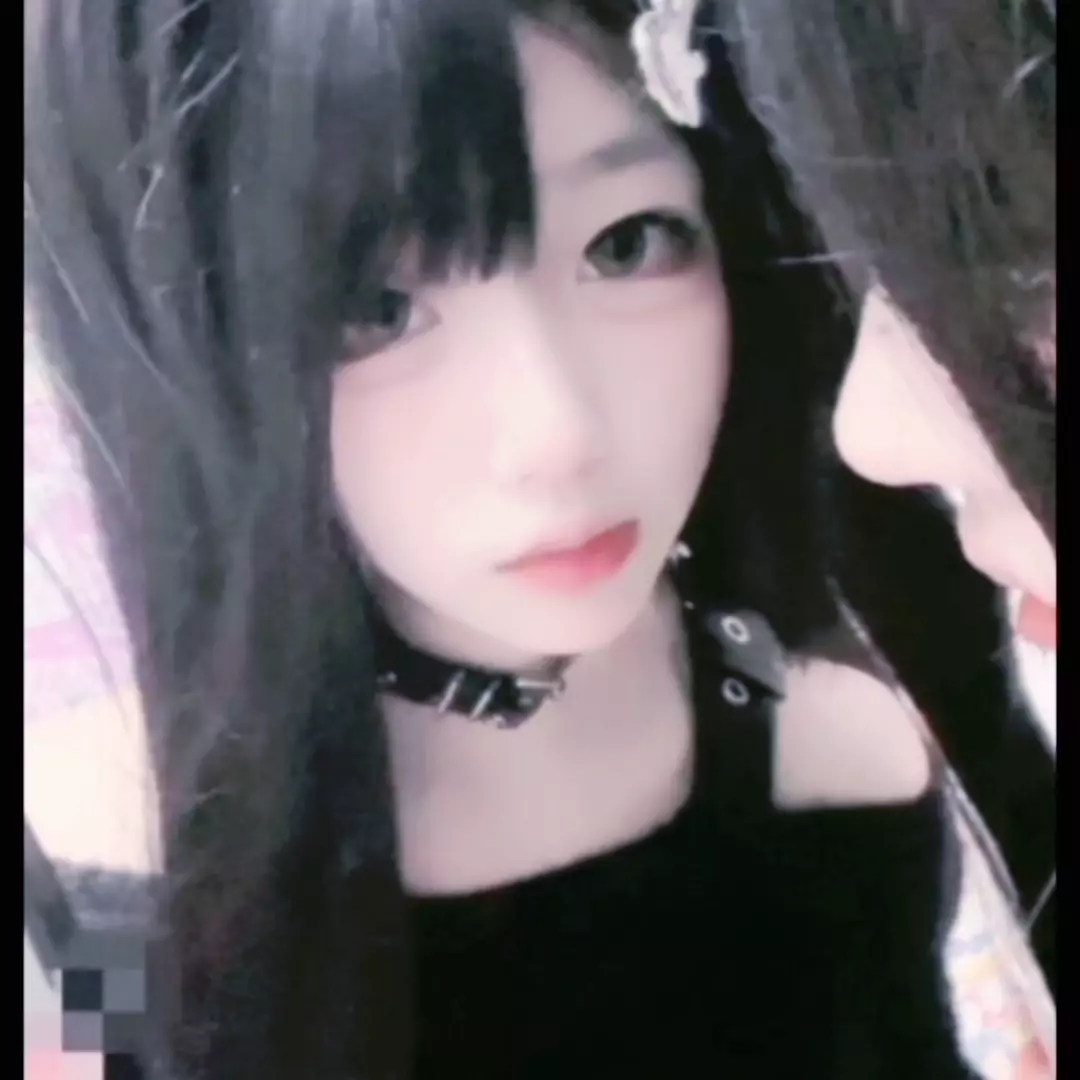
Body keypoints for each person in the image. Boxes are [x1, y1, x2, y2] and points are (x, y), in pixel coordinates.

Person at [24, 1, 1027, 1077]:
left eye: (628, 244)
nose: (560, 435)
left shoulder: (835, 759)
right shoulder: (107, 866)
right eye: (374, 309)